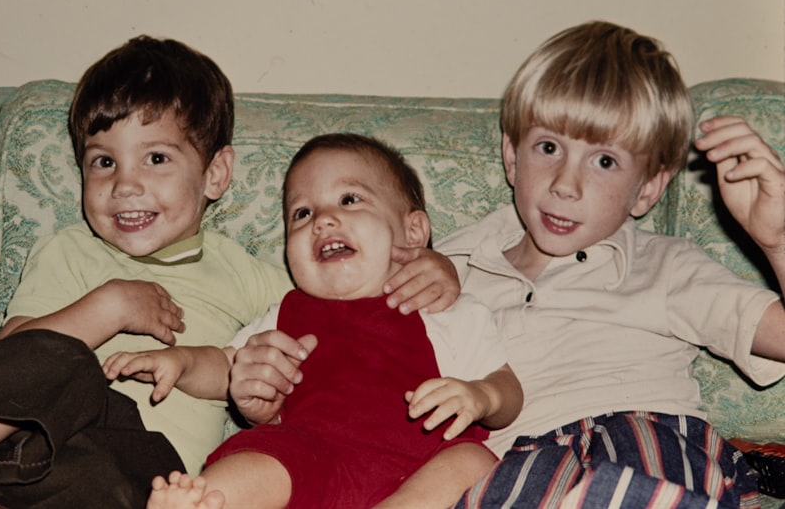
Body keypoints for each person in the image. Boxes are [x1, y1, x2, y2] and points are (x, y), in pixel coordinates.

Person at [0, 37, 460, 509]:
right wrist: (107, 307)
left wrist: (432, 267)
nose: (125, 184)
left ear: (216, 173)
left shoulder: (252, 278)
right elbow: (10, 355)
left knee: (113, 475)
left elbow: (336, 316)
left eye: (157, 159)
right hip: (3, 440)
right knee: (67, 361)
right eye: (103, 161)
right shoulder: (70, 254)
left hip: (130, 478)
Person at [229, 22, 785, 508]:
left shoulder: (669, 267)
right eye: (548, 149)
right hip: (514, 464)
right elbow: (348, 382)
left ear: (648, 188)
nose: (566, 185)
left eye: (605, 161)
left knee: (641, 479)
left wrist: (777, 240)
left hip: (640, 434)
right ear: (511, 156)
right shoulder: (441, 267)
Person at [104, 133, 523, 509]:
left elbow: (507, 388)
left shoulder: (444, 308)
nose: (322, 219)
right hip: (310, 455)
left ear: (413, 231)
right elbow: (229, 364)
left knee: (473, 461)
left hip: (419, 463)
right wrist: (181, 362)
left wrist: (482, 396)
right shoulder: (288, 312)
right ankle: (204, 503)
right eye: (301, 214)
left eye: (349, 200)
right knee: (259, 460)